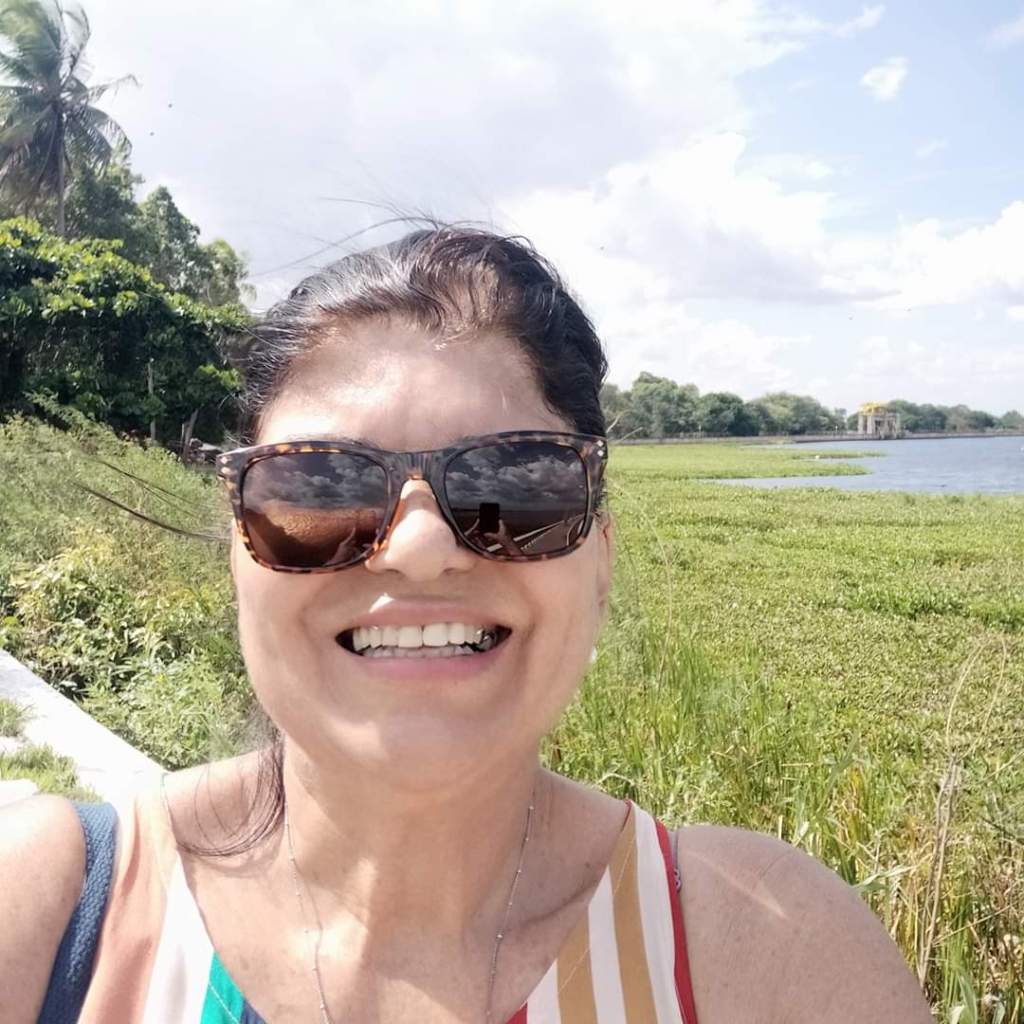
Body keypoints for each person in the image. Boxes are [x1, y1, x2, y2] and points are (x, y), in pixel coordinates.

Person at [0, 227, 933, 1023]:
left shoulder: (767, 952)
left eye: (514, 484)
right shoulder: (51, 912)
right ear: (236, 548)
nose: (419, 549)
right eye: (317, 487)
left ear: (599, 562)